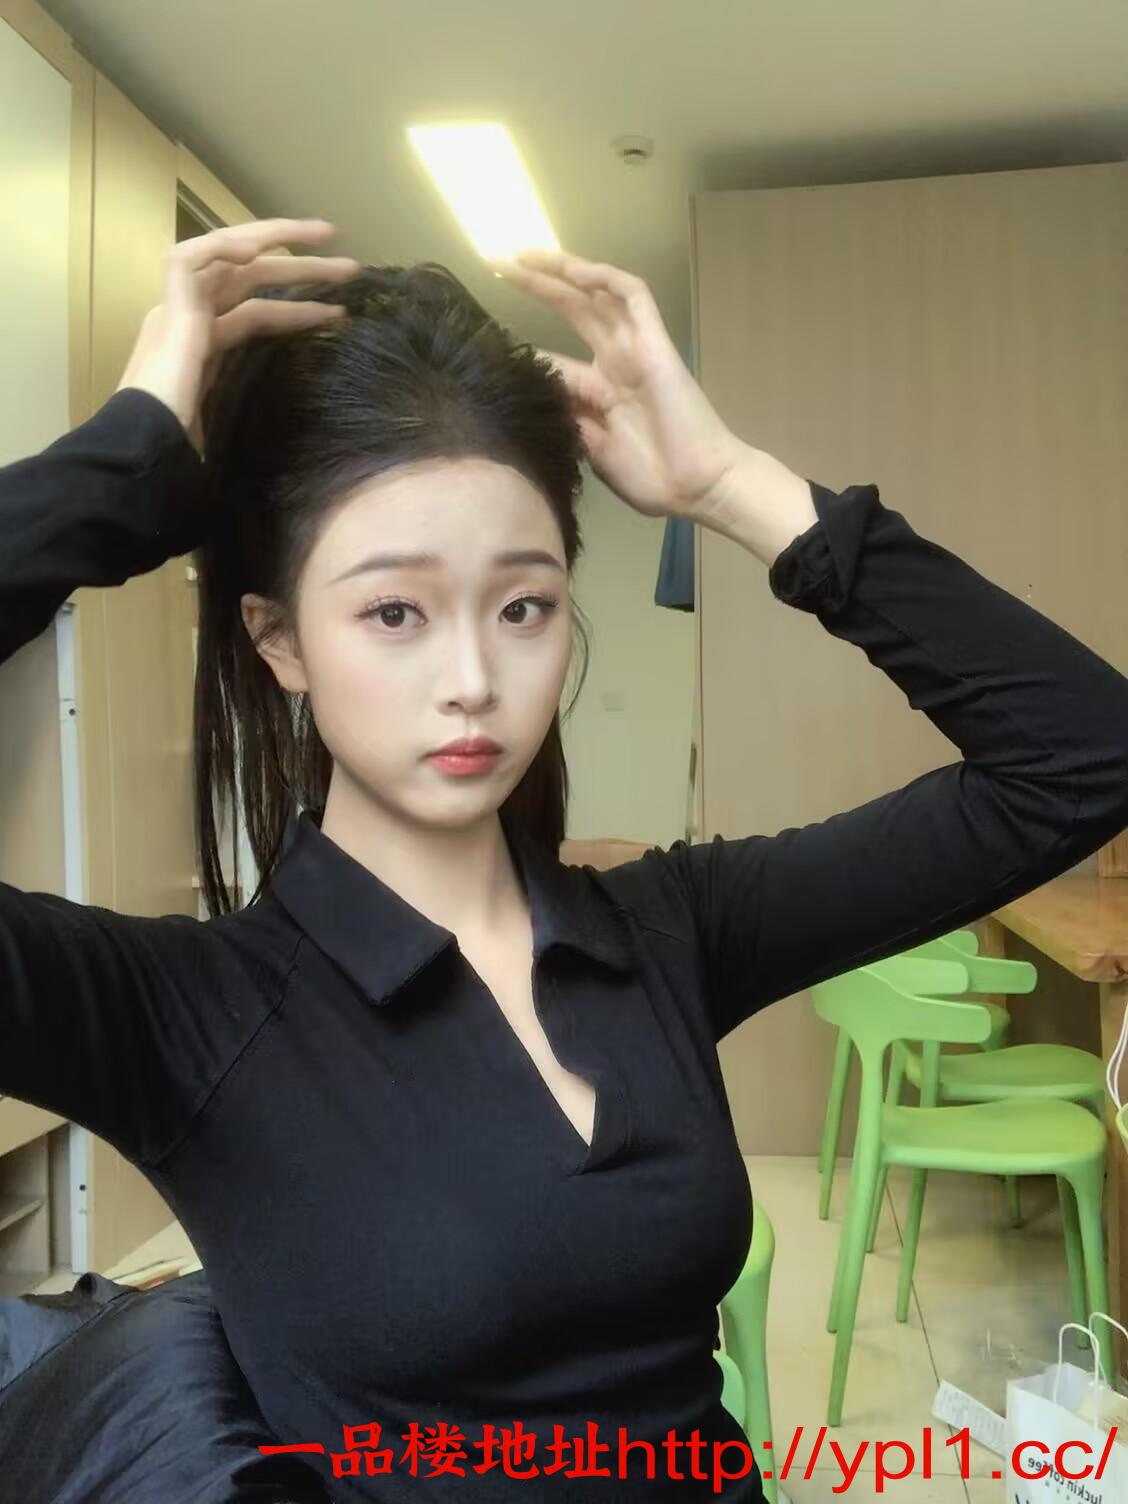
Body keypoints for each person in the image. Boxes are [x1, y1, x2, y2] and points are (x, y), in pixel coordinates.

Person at [2, 216, 1128, 1504]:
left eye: (523, 605)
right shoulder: (187, 1016)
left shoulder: (668, 929)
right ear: (280, 640)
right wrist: (123, 464)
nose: (473, 678)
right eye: (393, 611)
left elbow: (1082, 755)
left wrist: (729, 484)